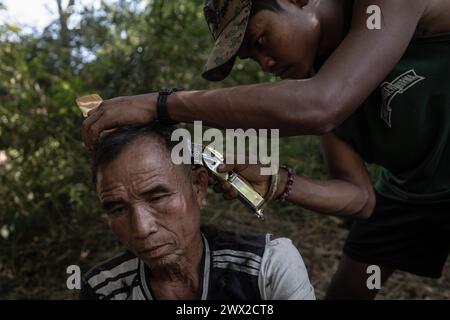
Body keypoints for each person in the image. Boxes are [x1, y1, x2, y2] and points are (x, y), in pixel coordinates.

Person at [81, 0, 450, 299]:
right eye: (252, 58)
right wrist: (279, 182)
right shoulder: (323, 85)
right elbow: (360, 198)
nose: (265, 64)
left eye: (259, 42)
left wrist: (163, 105)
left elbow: (322, 104)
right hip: (411, 191)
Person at [80, 124, 315, 300]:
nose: (142, 228)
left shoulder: (269, 266)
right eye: (118, 209)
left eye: (158, 197)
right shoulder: (103, 288)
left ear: (198, 187)